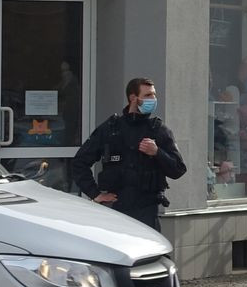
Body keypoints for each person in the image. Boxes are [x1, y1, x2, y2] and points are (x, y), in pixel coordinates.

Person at [71, 77, 186, 231]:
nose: (153, 99)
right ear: (133, 98)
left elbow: (178, 169)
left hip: (147, 211)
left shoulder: (158, 130)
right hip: (116, 210)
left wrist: (157, 152)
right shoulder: (111, 128)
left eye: (154, 95)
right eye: (148, 95)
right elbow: (79, 162)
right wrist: (95, 194)